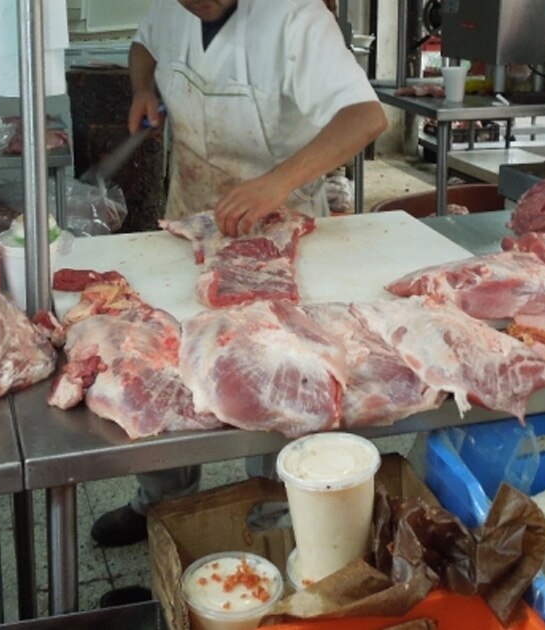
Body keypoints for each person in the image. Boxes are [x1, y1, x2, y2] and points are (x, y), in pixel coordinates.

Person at [91, 0, 387, 548]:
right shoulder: (171, 11)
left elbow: (365, 117)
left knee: (274, 373)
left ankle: (275, 509)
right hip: (191, 219)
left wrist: (277, 182)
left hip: (278, 233)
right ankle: (161, 503)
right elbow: (144, 46)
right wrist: (142, 90)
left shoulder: (295, 17)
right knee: (169, 366)